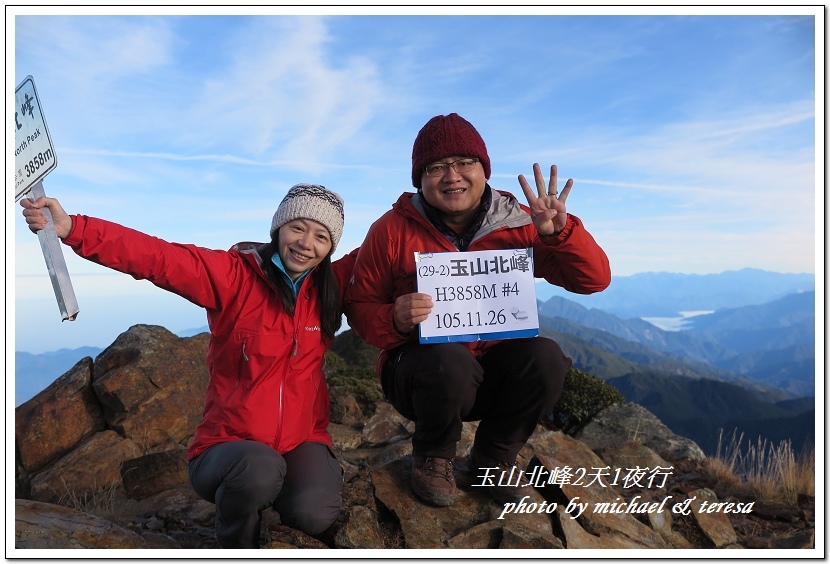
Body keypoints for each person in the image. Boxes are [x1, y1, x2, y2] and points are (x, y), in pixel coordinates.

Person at [21, 184, 356, 548]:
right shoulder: (235, 277)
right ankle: (235, 544)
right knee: (259, 471)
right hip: (228, 445)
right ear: (278, 229)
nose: (306, 243)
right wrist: (73, 228)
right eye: (297, 228)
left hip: (300, 440)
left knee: (314, 512)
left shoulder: (330, 287)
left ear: (330, 248)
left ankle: (275, 499)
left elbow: (390, 252)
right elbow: (158, 258)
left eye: (321, 236)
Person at [343, 113, 611, 507]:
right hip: (421, 377)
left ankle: (493, 461)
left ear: (484, 169)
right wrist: (394, 318)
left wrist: (560, 235)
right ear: (420, 177)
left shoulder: (522, 222)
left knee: (547, 357)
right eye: (436, 167)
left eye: (464, 163)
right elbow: (360, 305)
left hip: (490, 375)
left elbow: (593, 280)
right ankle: (433, 457)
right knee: (449, 360)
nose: (452, 176)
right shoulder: (391, 230)